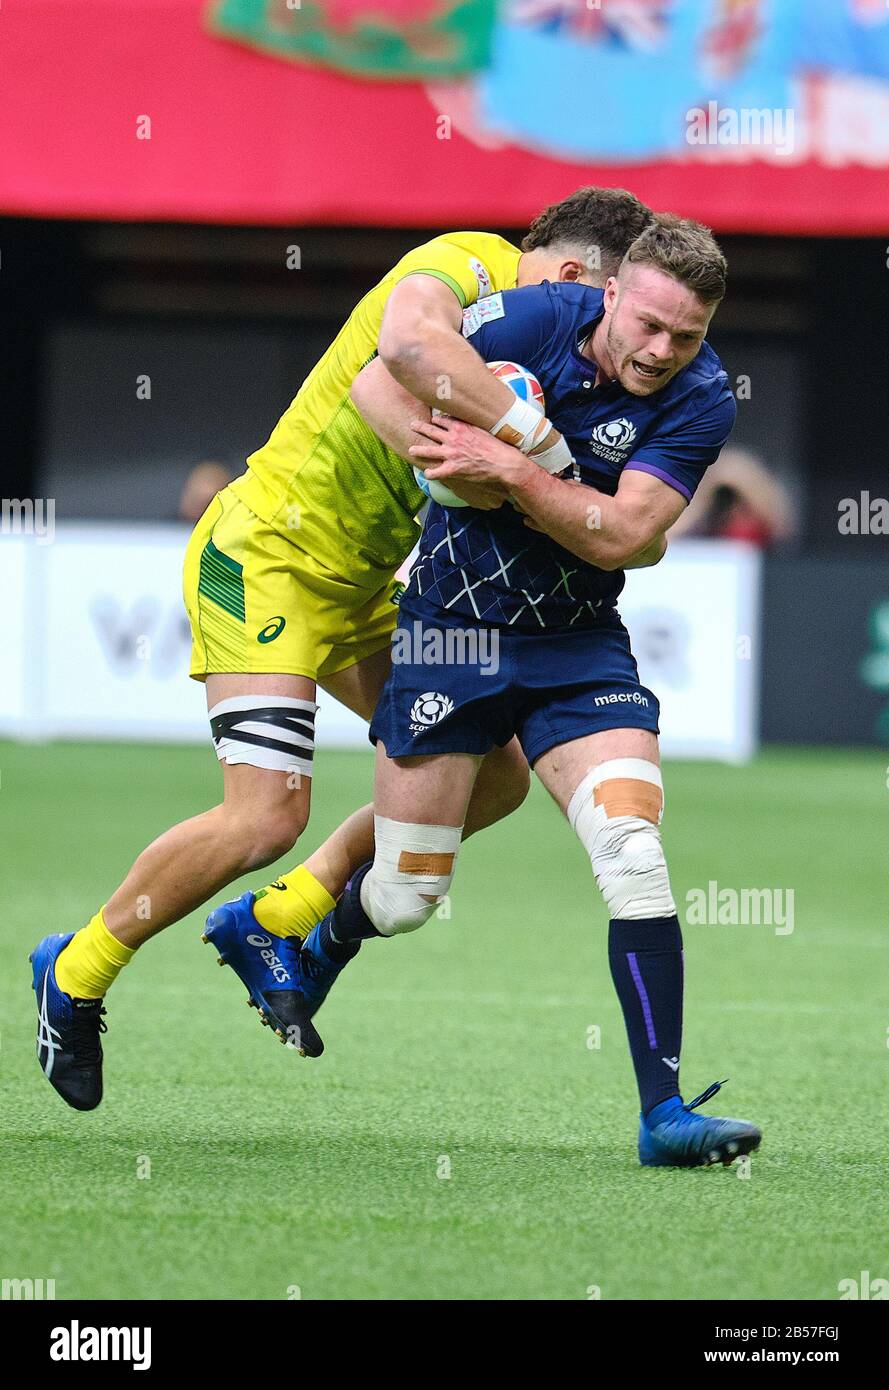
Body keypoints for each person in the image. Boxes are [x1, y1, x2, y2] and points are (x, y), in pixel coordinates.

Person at [30, 187, 658, 1110]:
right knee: (263, 817)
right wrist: (531, 449)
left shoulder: (533, 348)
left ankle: (277, 919)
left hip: (365, 588)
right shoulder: (461, 265)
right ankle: (74, 975)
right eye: (599, 308)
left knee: (493, 774)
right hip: (261, 558)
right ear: (571, 278)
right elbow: (396, 359)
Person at [248, 215, 762, 1168]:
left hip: (577, 644)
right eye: (646, 324)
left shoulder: (699, 398)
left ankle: (664, 1115)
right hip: (450, 634)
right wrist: (446, 460)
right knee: (403, 896)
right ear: (609, 294)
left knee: (631, 847)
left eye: (683, 337)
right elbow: (374, 380)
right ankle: (321, 945)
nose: (659, 351)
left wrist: (512, 469)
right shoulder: (530, 320)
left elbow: (619, 537)